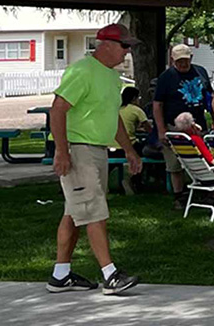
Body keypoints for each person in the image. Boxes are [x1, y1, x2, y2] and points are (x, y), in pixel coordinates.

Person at [46, 23, 143, 295]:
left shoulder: (112, 78)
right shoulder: (82, 71)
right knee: (94, 210)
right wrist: (62, 151)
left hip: (97, 149)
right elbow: (57, 110)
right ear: (107, 44)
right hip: (78, 150)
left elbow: (114, 121)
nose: (127, 53)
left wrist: (129, 150)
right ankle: (110, 275)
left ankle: (60, 275)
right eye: (125, 46)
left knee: (76, 212)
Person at [153, 44, 214, 205]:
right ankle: (179, 195)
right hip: (174, 125)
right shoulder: (166, 77)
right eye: (179, 61)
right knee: (175, 163)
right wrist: (162, 130)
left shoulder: (200, 72)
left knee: (202, 158)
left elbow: (209, 98)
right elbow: (157, 105)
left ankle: (207, 191)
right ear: (173, 60)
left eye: (186, 60)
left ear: (191, 57)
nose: (183, 64)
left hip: (197, 125)